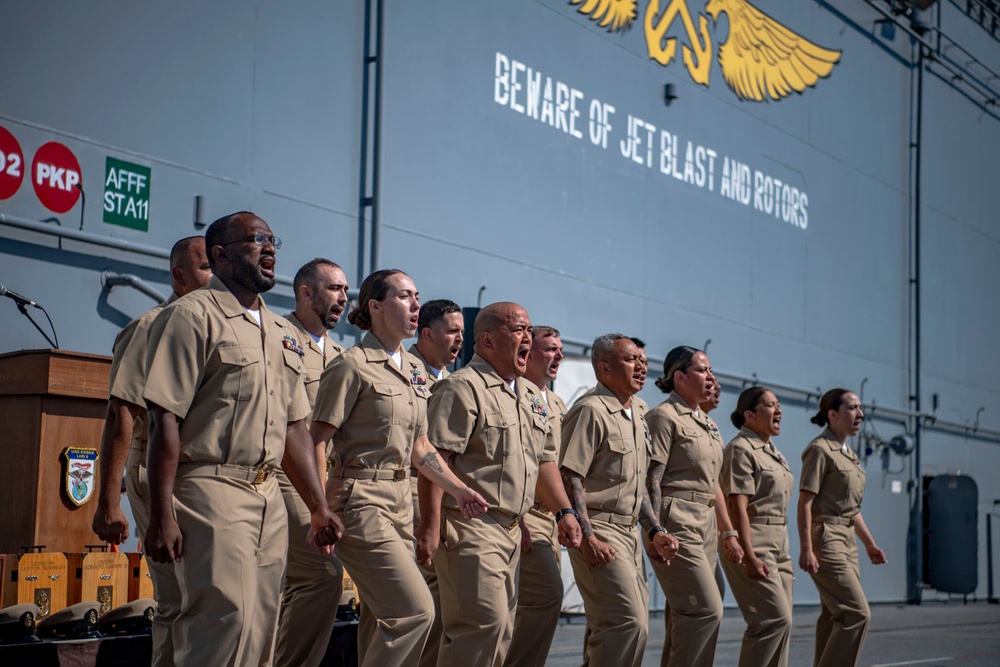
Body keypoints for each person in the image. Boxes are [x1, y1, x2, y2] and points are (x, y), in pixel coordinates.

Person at [142, 212, 343, 666]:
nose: (269, 248)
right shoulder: (191, 316)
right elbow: (163, 419)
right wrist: (161, 514)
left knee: (260, 628)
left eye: (272, 240)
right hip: (210, 489)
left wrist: (317, 507)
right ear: (221, 254)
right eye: (255, 240)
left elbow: (294, 428)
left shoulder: (282, 333)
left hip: (269, 494)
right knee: (222, 623)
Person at [309, 270, 489, 667]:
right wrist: (318, 509)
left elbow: (421, 448)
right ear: (375, 306)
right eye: (404, 296)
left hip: (400, 503)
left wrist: (458, 489)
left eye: (416, 296)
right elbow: (316, 441)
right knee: (415, 611)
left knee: (383, 618)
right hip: (360, 502)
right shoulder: (351, 366)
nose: (415, 305)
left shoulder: (414, 370)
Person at [417, 302, 583, 666]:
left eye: (529, 330)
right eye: (518, 330)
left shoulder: (530, 396)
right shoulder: (463, 388)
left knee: (502, 631)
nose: (527, 338)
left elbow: (543, 463)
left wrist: (564, 511)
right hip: (470, 526)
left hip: (511, 530)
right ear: (488, 339)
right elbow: (433, 462)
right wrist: (429, 528)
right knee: (480, 627)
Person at [91, 236, 211, 666]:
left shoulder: (214, 326)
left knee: (206, 601)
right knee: (177, 601)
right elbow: (120, 413)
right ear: (179, 276)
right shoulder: (150, 326)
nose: (215, 276)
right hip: (155, 466)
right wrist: (109, 503)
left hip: (200, 471)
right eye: (206, 267)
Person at [560, 333, 679, 667]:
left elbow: (637, 485)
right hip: (600, 527)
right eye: (630, 360)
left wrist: (655, 529)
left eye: (642, 361)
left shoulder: (639, 412)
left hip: (629, 533)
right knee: (626, 623)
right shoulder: (590, 410)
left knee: (633, 628)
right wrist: (588, 537)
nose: (641, 367)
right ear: (604, 367)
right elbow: (571, 477)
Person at [645, 345, 744, 667]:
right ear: (679, 377)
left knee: (689, 615)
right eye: (702, 370)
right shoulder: (663, 416)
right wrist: (654, 530)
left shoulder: (708, 424)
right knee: (705, 610)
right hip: (677, 520)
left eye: (710, 370)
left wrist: (729, 532)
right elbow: (651, 478)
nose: (710, 376)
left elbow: (713, 484)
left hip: (706, 523)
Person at [274, 258, 349, 667]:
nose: (343, 298)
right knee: (321, 575)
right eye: (335, 288)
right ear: (305, 292)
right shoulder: (276, 337)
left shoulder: (341, 356)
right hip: (288, 476)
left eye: (346, 290)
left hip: (329, 482)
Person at [798, 388, 887, 667]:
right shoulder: (819, 450)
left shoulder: (849, 454)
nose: (860, 414)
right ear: (832, 414)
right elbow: (805, 502)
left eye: (860, 408)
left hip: (848, 540)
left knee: (834, 615)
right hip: (827, 538)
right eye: (852, 408)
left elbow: (852, 509)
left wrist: (869, 544)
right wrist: (806, 548)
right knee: (856, 613)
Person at [406, 298, 464, 667]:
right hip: (410, 493)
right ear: (427, 334)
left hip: (446, 499)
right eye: (452, 331)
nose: (459, 340)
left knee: (440, 602)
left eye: (462, 332)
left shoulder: (454, 382)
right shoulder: (404, 370)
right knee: (417, 604)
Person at [507, 324, 568, 667]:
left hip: (550, 517)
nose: (558, 355)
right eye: (550, 349)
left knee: (535, 605)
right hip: (525, 514)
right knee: (545, 596)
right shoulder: (517, 395)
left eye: (560, 349)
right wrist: (519, 516)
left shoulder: (556, 403)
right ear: (528, 354)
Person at [720, 387, 794, 667]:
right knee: (771, 621)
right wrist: (749, 555)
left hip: (779, 543)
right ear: (749, 415)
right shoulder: (741, 449)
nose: (779, 410)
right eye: (771, 405)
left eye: (778, 404)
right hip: (755, 540)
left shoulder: (773, 451)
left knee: (782, 626)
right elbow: (737, 506)